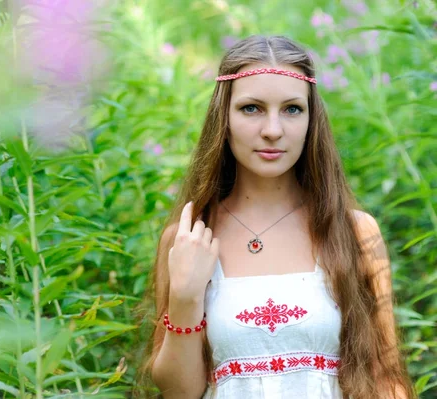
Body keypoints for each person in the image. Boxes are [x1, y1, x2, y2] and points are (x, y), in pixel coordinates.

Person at [140, 35, 415, 398]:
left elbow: (386, 380)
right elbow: (180, 392)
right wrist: (186, 298)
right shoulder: (190, 237)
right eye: (251, 108)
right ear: (223, 117)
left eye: (292, 109)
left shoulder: (354, 232)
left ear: (311, 120)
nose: (273, 130)